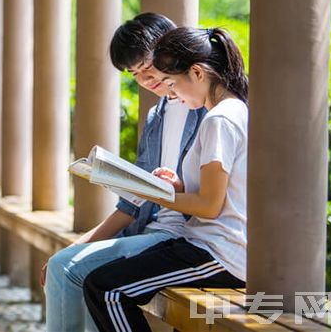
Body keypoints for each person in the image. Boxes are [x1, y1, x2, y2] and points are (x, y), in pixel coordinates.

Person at [43, 13, 206, 331]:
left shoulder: (206, 109)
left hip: (187, 239)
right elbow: (133, 201)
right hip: (152, 233)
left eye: (147, 67)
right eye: (135, 74)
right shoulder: (156, 116)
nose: (146, 80)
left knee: (74, 273)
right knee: (71, 267)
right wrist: (79, 244)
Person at [83, 27, 249, 331]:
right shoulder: (230, 112)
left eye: (173, 83)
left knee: (106, 288)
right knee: (105, 279)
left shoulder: (219, 120)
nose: (173, 94)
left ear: (197, 73)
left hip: (219, 253)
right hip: (204, 244)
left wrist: (150, 191)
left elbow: (210, 206)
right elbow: (220, 193)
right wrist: (177, 187)